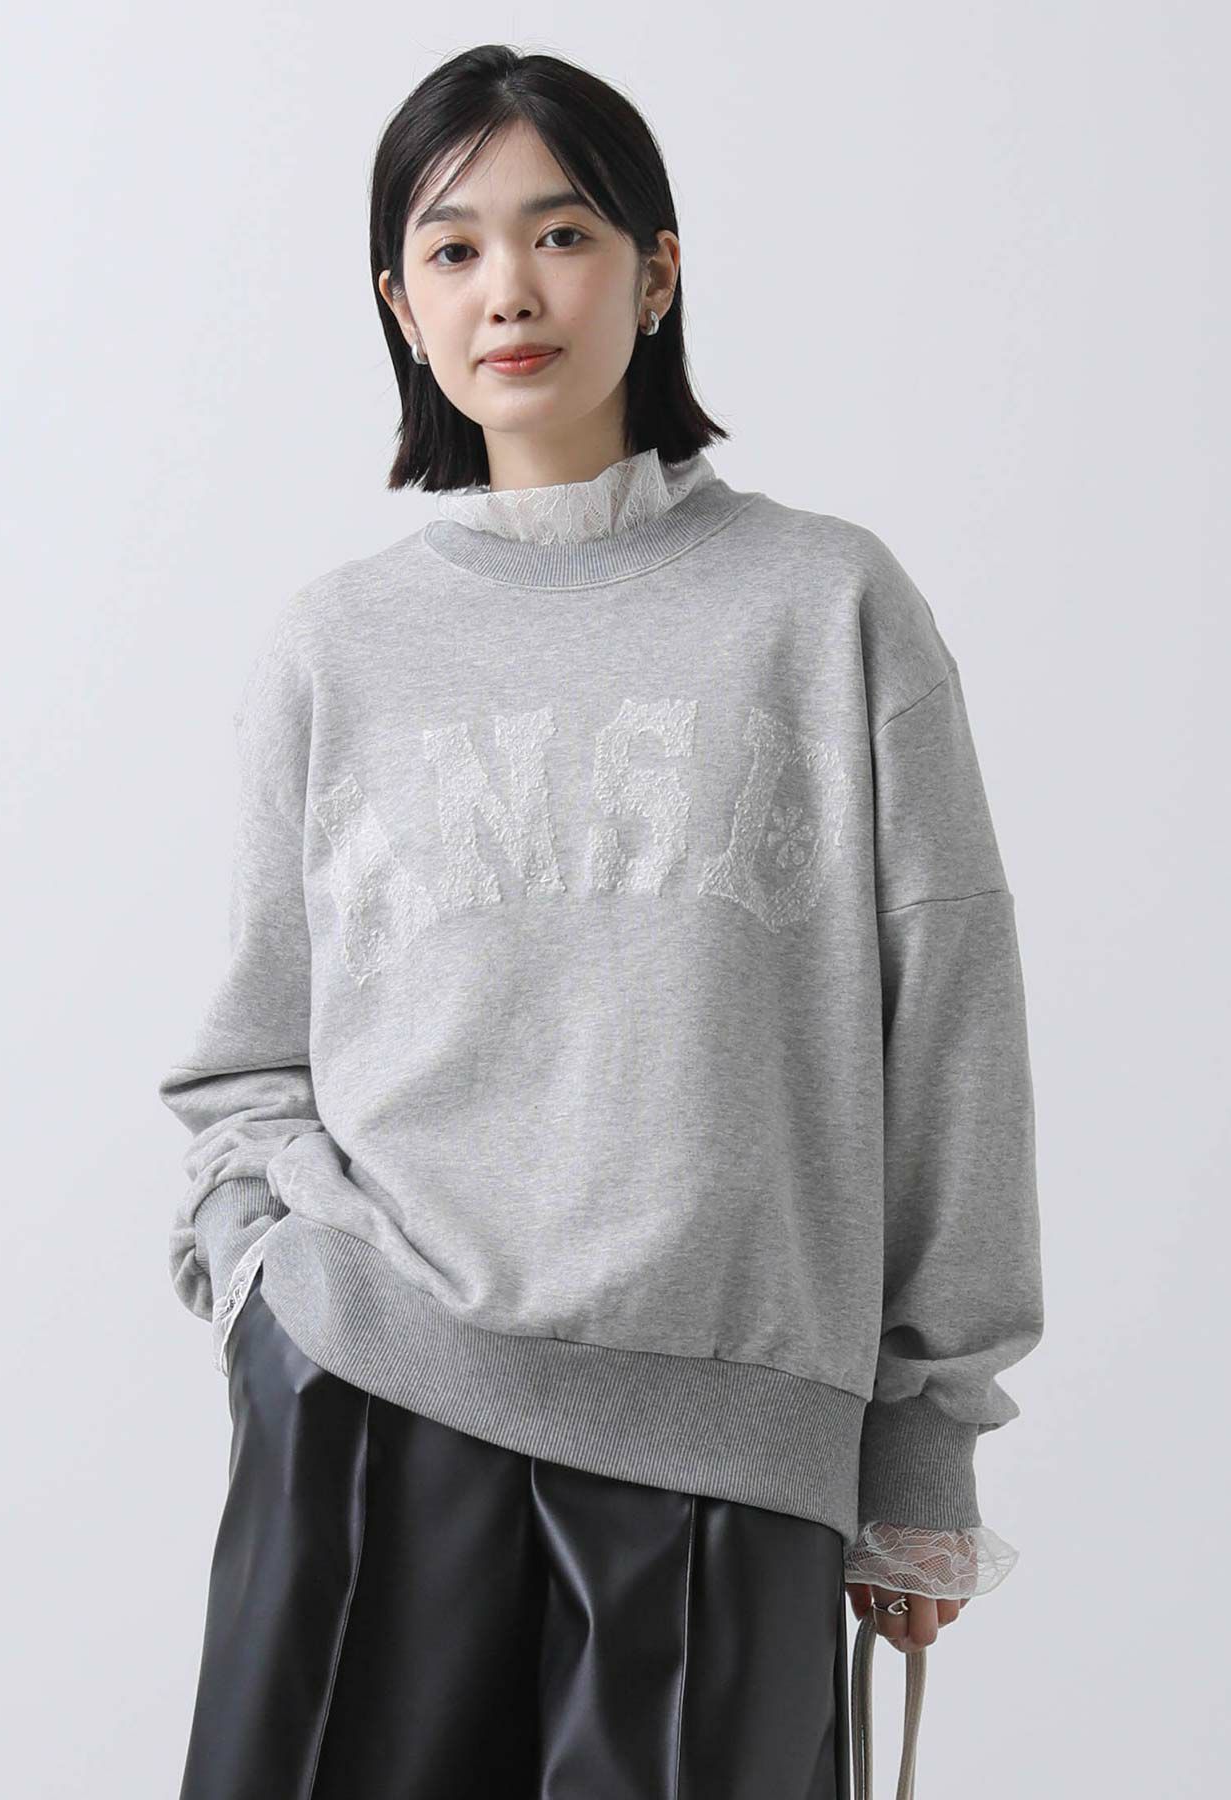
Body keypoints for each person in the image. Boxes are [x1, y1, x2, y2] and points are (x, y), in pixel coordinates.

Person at [159, 42, 1045, 1800]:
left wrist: (925, 1443)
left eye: (562, 233)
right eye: (454, 248)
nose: (510, 288)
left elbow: (948, 1018)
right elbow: (245, 1065)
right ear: (403, 308)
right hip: (370, 1399)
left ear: (656, 272)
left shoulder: (827, 603)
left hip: (725, 1436)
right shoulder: (336, 647)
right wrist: (273, 1287)